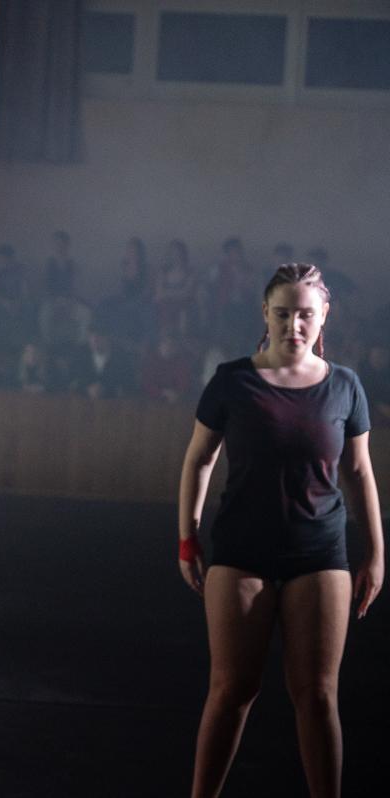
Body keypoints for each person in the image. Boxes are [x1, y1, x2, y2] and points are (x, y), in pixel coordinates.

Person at [178, 263, 383, 798]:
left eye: (305, 314)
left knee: (317, 695)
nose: (294, 325)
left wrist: (376, 553)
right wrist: (188, 537)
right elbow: (199, 458)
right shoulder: (232, 381)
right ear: (265, 314)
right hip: (241, 551)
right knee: (231, 689)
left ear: (324, 316)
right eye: (284, 313)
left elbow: (359, 472)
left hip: (319, 554)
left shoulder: (345, 385)